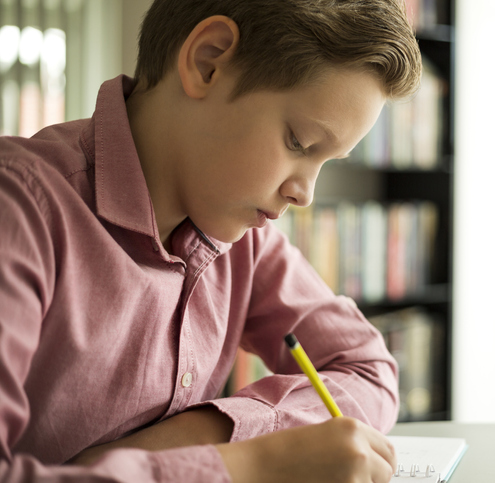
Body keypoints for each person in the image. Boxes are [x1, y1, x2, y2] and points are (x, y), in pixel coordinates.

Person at [0, 0, 422, 481]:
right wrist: (256, 464)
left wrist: (192, 437)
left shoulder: (243, 239)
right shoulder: (19, 208)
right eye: (300, 144)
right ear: (208, 61)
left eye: (327, 161)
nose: (305, 194)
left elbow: (370, 370)